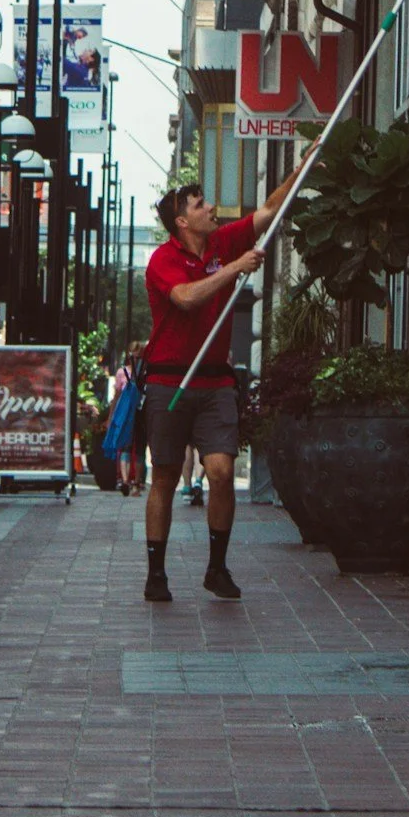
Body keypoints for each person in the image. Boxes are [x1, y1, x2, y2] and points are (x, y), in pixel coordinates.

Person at [141, 175, 293, 604]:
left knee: (223, 471)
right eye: (200, 203)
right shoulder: (162, 260)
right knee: (166, 476)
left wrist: (301, 170)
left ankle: (216, 568)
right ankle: (156, 573)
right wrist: (234, 269)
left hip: (215, 380)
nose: (211, 208)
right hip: (169, 380)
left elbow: (265, 213)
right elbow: (186, 298)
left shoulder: (224, 242)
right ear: (182, 221)